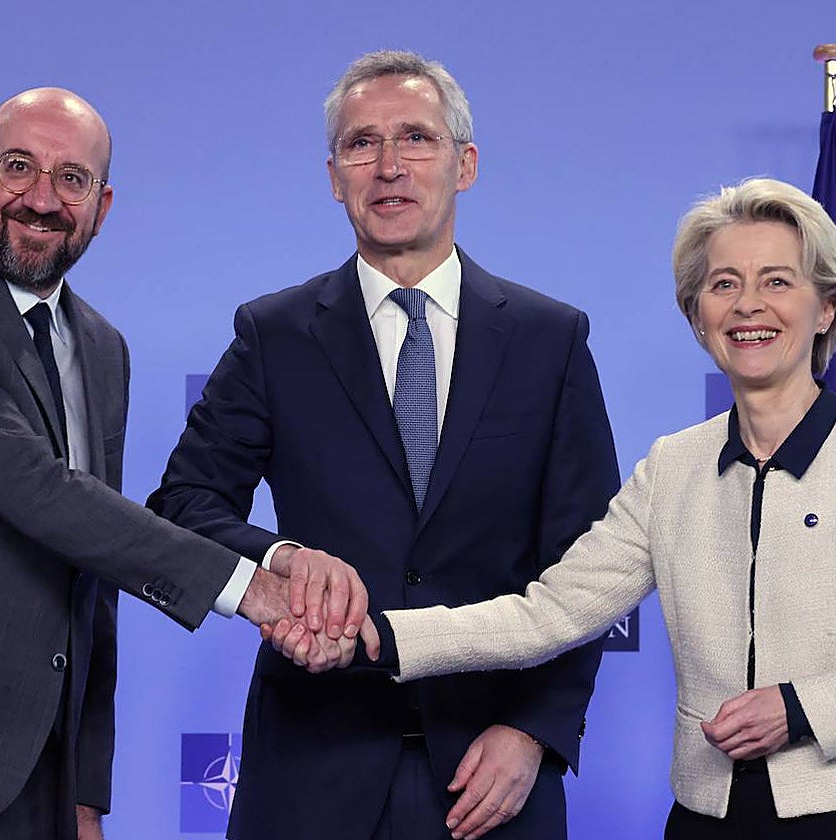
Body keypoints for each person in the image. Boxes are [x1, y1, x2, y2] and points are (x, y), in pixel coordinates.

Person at [293, 177, 836, 837]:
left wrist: (801, 709)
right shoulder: (672, 468)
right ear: (698, 315)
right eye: (724, 285)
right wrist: (379, 637)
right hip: (707, 817)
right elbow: (549, 614)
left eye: (777, 282)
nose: (748, 305)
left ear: (828, 307)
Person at [0, 87, 371, 840]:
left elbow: (92, 569)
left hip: (26, 781)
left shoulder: (102, 349)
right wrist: (256, 590)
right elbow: (39, 491)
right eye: (19, 167)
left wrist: (83, 788)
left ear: (102, 207)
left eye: (71, 179)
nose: (42, 199)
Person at [148, 50, 619, 840]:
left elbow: (591, 566)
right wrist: (282, 560)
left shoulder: (551, 340)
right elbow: (182, 507)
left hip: (490, 779)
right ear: (334, 175)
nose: (390, 167)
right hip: (311, 772)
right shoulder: (274, 335)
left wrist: (536, 731)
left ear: (464, 165)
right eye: (362, 144)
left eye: (417, 140)